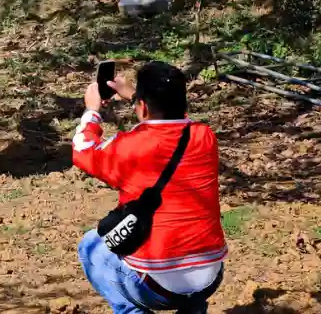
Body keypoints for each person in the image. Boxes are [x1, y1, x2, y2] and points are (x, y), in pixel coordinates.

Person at [73, 61, 227, 314]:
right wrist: (136, 95)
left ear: (142, 107)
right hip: (210, 277)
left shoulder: (129, 146)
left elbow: (83, 150)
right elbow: (177, 122)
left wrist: (92, 111)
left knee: (90, 247)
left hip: (154, 287)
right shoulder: (205, 136)